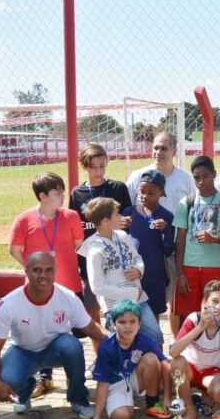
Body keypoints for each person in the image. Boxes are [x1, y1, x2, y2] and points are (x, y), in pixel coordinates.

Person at [0, 252, 105, 418]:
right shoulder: (8, 304)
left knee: (72, 345)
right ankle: (25, 391)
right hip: (24, 351)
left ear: (55, 272)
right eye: (37, 270)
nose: (43, 275)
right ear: (26, 271)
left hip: (55, 350)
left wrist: (120, 340)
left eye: (49, 270)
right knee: (7, 378)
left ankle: (79, 400)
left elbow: (90, 327)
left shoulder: (67, 297)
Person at [10, 172, 84, 398]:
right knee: (40, 331)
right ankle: (45, 378)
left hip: (69, 284)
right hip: (38, 290)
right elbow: (14, 249)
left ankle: (73, 379)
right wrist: (33, 270)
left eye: (62, 191)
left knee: (71, 334)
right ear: (42, 196)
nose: (62, 195)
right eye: (57, 192)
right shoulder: (24, 219)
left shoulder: (71, 216)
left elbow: (78, 243)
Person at [126, 132, 195, 324]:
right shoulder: (137, 176)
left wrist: (168, 231)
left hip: (175, 247)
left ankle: (175, 338)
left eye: (164, 148)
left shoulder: (185, 178)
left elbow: (193, 209)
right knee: (138, 300)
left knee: (174, 298)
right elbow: (128, 211)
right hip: (144, 252)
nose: (158, 152)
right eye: (156, 147)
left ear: (174, 150)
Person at [70, 144, 133, 349]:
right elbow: (74, 226)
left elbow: (128, 218)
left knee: (119, 308)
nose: (98, 172)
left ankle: (123, 350)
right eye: (93, 167)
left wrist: (126, 222)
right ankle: (100, 355)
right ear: (84, 166)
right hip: (90, 260)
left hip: (116, 260)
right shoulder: (77, 193)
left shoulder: (118, 188)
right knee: (93, 308)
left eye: (102, 166)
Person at [78, 197, 164, 346]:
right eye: (117, 214)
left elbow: (137, 258)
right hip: (115, 306)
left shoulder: (123, 236)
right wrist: (130, 293)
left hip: (138, 299)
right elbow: (97, 287)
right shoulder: (94, 249)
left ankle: (156, 361)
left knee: (155, 337)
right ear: (105, 221)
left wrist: (139, 270)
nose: (122, 217)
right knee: (123, 343)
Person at [81, 300, 173, 419]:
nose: (127, 326)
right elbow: (102, 383)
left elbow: (165, 364)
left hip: (134, 376)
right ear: (114, 324)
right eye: (122, 322)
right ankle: (119, 402)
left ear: (139, 324)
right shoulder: (107, 346)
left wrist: (168, 397)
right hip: (115, 384)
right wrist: (97, 417)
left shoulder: (144, 340)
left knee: (152, 359)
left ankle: (152, 404)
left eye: (132, 321)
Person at [173, 155, 220, 330]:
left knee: (215, 315)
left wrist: (215, 239)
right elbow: (180, 239)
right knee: (188, 317)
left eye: (205, 176)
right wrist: (180, 274)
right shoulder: (186, 202)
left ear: (214, 174)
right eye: (196, 177)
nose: (201, 181)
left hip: (216, 266)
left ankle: (214, 346)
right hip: (189, 267)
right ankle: (187, 347)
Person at [171, 280, 220, 419]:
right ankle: (190, 410)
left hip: (211, 371)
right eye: (214, 301)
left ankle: (212, 401)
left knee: (219, 392)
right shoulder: (194, 319)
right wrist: (200, 327)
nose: (218, 307)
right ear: (204, 302)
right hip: (189, 369)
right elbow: (173, 352)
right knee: (177, 362)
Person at [122, 169, 175, 321]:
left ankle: (154, 337)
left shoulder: (166, 216)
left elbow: (168, 249)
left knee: (153, 314)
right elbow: (120, 242)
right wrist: (121, 227)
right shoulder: (129, 212)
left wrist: (166, 230)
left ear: (162, 193)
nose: (145, 196)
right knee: (131, 313)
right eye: (142, 192)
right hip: (132, 274)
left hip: (155, 274)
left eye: (151, 193)